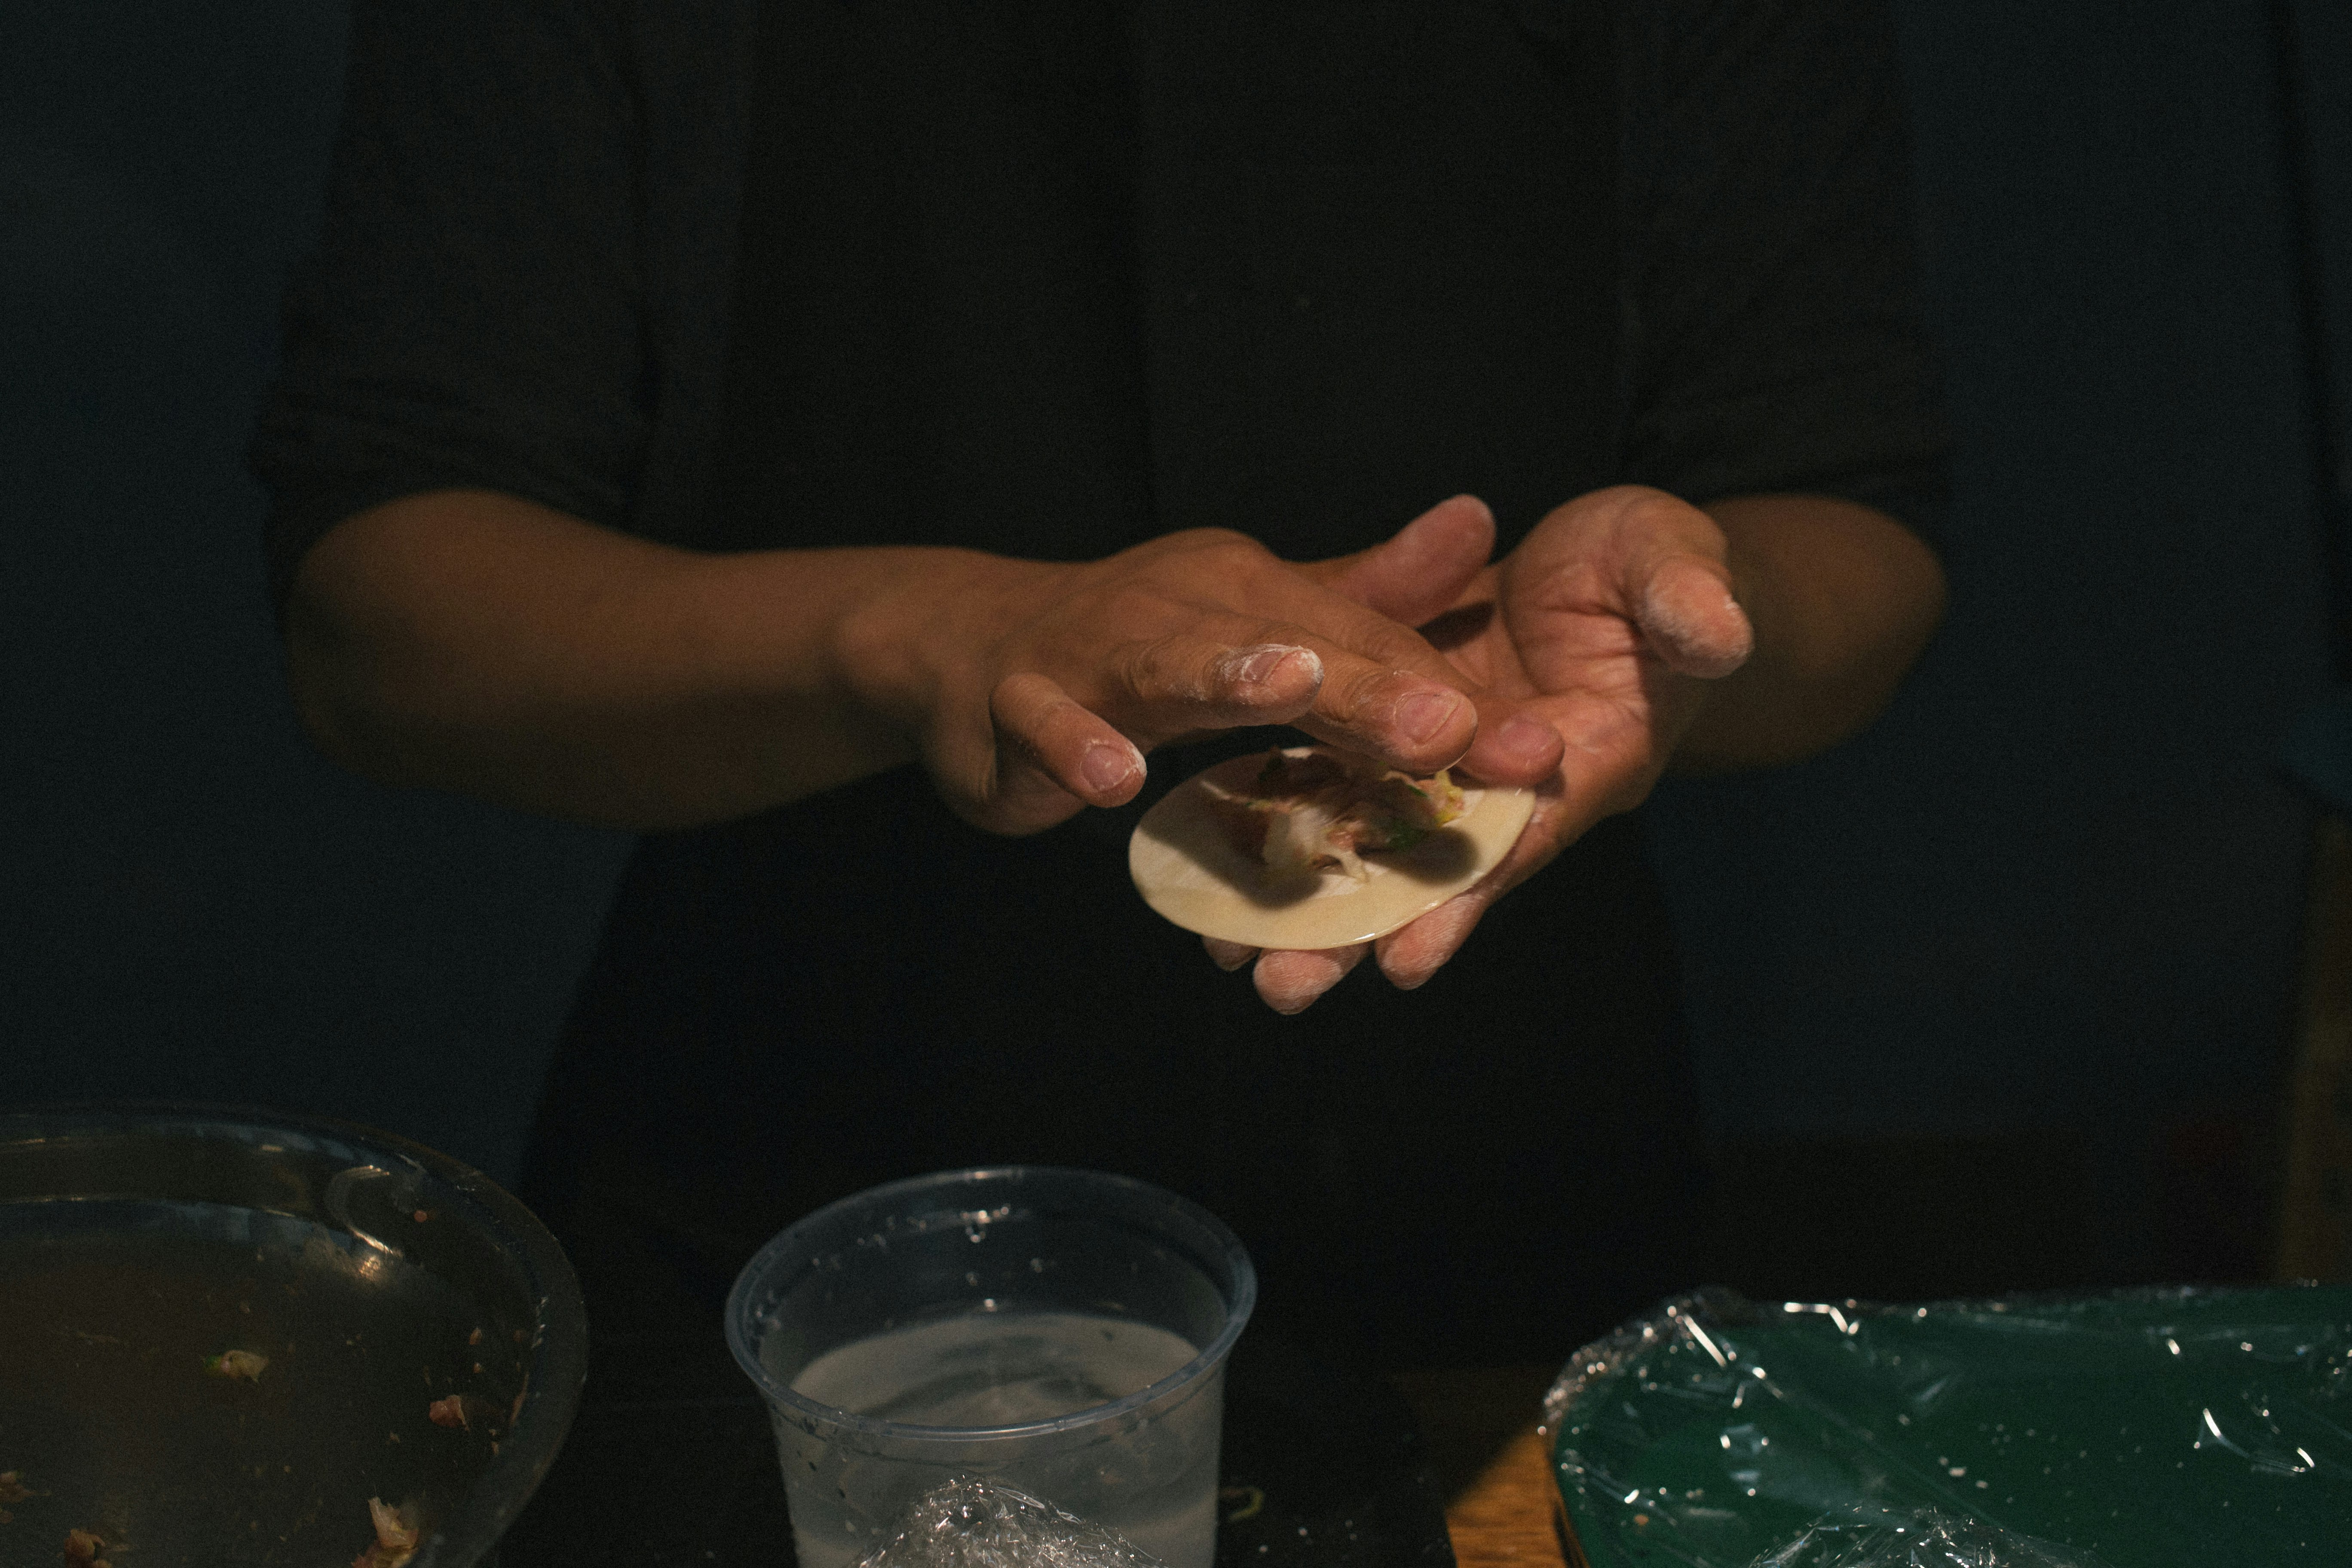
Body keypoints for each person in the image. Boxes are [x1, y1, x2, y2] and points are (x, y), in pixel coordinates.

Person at [254, 0, 1947, 1380]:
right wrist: (934, 640)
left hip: (1505, 1228)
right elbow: (381, 613)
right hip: (797, 1204)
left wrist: (1674, 617)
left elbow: (1851, 518)